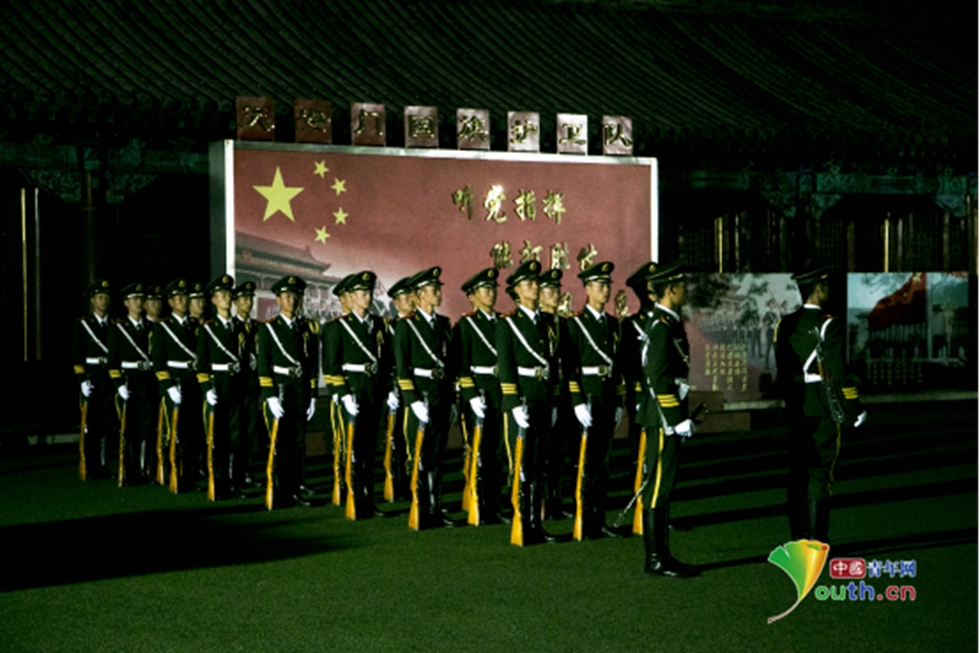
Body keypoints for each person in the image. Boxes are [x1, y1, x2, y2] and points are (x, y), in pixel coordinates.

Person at [774, 265, 866, 543]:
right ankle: (817, 542)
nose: (828, 290)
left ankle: (798, 536)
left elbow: (782, 368)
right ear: (818, 288)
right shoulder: (828, 324)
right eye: (825, 286)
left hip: (795, 404)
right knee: (819, 472)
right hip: (820, 404)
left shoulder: (785, 323)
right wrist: (854, 409)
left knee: (798, 470)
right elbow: (838, 374)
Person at [637, 261, 697, 578]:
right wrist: (675, 417)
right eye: (682, 285)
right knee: (659, 485)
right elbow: (657, 377)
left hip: (667, 412)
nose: (686, 290)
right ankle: (656, 558)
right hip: (663, 415)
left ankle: (661, 555)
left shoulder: (668, 322)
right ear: (670, 290)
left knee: (664, 484)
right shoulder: (661, 325)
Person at [496, 260, 560, 545]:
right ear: (517, 291)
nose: (535, 287)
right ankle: (521, 522)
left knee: (539, 463)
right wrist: (512, 402)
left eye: (536, 283)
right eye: (529, 284)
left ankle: (536, 522)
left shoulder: (547, 322)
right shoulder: (508, 323)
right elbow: (506, 365)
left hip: (543, 397)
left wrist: (554, 399)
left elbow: (552, 363)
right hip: (521, 400)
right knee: (521, 465)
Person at [324, 271, 394, 519]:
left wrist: (388, 389)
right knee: (354, 448)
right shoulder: (337, 327)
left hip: (373, 389)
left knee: (370, 448)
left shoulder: (379, 324)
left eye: (369, 293)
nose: (367, 297)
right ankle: (353, 496)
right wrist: (342, 394)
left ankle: (368, 497)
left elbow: (386, 361)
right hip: (353, 391)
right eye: (362, 293)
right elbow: (331, 366)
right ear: (351, 297)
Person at [393, 266, 457, 530]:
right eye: (434, 290)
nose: (439, 294)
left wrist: (452, 399)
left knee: (437, 455)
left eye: (439, 289)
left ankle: (435, 506)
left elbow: (450, 365)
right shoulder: (406, 326)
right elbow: (402, 368)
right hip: (420, 396)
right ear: (420, 295)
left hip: (440, 394)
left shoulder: (443, 324)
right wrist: (412, 399)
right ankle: (419, 506)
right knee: (419, 454)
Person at [565, 262, 625, 540]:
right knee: (585, 461)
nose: (605, 290)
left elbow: (618, 367)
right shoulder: (575, 323)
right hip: (587, 396)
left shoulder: (612, 324)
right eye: (599, 286)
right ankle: (584, 517)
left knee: (604, 461)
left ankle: (599, 519)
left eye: (607, 285)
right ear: (587, 289)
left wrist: (618, 402)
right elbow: (569, 367)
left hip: (606, 396)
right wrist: (577, 401)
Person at [258, 275, 320, 509]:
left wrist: (313, 396)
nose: (291, 300)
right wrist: (270, 395)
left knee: (297, 442)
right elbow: (263, 364)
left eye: (295, 296)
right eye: (286, 296)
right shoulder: (269, 328)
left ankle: (295, 488)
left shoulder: (307, 328)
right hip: (281, 390)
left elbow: (312, 364)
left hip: (300, 390)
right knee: (281, 443)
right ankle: (280, 489)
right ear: (278, 299)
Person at [455, 267, 505, 525]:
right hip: (480, 391)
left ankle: (495, 503)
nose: (491, 293)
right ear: (472, 296)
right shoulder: (466, 324)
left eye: (493, 288)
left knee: (498, 451)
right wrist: (471, 395)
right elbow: (462, 366)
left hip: (500, 391)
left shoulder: (504, 322)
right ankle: (480, 503)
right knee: (480, 451)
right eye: (486, 289)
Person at [196, 274, 248, 500]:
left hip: (236, 386)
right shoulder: (208, 329)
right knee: (219, 438)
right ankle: (219, 482)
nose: (227, 298)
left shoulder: (239, 327)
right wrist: (207, 388)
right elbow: (201, 364)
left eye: (228, 294)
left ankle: (234, 482)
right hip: (218, 386)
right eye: (222, 295)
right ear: (214, 300)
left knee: (236, 438)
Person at [152, 278, 204, 492]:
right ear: (171, 302)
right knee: (173, 431)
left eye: (185, 297)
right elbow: (158, 361)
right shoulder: (163, 327)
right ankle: (170, 471)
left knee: (193, 432)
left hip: (193, 382)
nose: (183, 301)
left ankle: (189, 474)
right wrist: (169, 385)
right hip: (175, 383)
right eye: (179, 298)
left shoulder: (195, 325)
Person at [620, 262, 659, 533]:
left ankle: (658, 507)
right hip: (641, 395)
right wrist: (635, 393)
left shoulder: (666, 322)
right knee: (641, 452)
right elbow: (628, 363)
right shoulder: (631, 325)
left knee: (661, 452)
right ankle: (640, 506)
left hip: (663, 397)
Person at [107, 283, 156, 486]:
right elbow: (112, 361)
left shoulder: (151, 327)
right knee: (128, 428)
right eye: (134, 299)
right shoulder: (118, 328)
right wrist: (119, 384)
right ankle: (129, 470)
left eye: (140, 299)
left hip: (147, 380)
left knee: (146, 427)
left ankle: (144, 469)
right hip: (128, 381)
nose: (138, 302)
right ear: (126, 303)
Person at [72, 279, 116, 480]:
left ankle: (103, 464)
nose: (103, 301)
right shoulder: (83, 324)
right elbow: (77, 355)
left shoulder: (115, 324)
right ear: (92, 300)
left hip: (108, 376)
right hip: (92, 377)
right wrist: (82, 379)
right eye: (99, 297)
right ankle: (89, 464)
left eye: (106, 297)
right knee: (90, 423)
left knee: (107, 422)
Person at [537, 268, 571, 520]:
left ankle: (556, 501)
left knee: (558, 452)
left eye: (557, 290)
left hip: (562, 394)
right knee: (541, 452)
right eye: (550, 290)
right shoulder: (536, 323)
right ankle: (540, 502)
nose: (556, 294)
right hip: (543, 394)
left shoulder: (564, 323)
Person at [383, 276, 416, 502]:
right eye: (406, 297)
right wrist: (388, 389)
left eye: (412, 296)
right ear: (396, 302)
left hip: (417, 387)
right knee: (397, 438)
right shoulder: (389, 329)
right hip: (396, 389)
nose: (411, 301)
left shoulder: (419, 326)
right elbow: (384, 360)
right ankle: (399, 482)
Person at [233, 280, 263, 490]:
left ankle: (248, 471)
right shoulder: (231, 326)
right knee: (235, 431)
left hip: (252, 386)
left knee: (250, 432)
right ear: (235, 302)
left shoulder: (257, 327)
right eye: (243, 298)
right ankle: (235, 474)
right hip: (235, 387)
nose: (248, 302)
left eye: (250, 298)